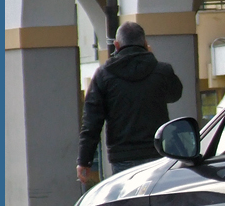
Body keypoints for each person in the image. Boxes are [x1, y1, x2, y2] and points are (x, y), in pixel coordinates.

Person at [77, 21, 184, 181]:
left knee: (127, 203)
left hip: (122, 158)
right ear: (145, 43)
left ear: (117, 45)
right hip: (157, 153)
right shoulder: (162, 71)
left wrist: (84, 160)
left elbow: (92, 123)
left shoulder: (103, 75)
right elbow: (175, 94)